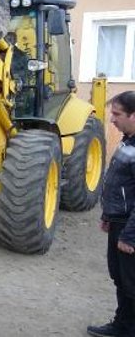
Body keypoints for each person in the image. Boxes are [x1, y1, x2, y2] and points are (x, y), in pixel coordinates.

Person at [87, 91, 135, 337]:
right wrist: (108, 215)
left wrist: (130, 236)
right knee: (120, 277)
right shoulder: (127, 140)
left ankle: (128, 329)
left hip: (129, 227)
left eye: (117, 114)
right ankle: (123, 325)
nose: (112, 120)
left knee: (131, 282)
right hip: (118, 221)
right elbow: (119, 183)